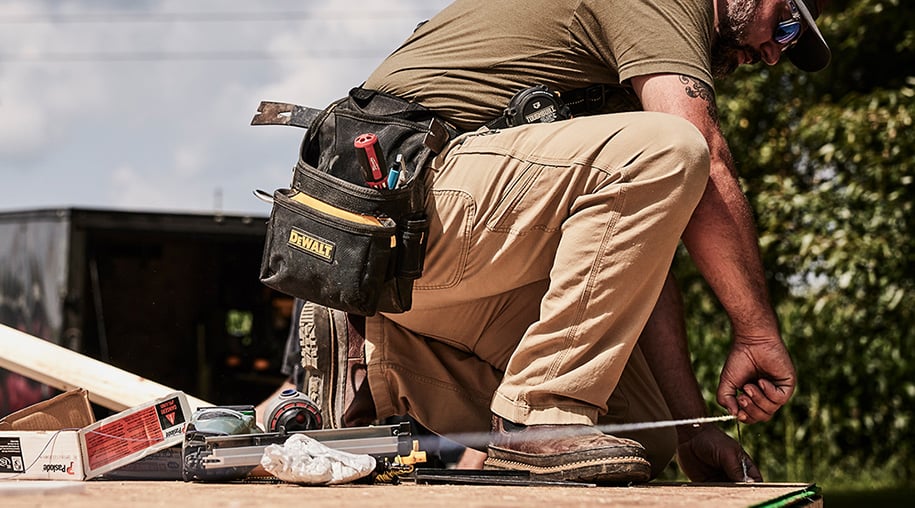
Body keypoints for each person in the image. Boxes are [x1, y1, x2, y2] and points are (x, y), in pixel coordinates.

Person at [290, 0, 831, 484]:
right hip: (391, 201)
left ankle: (374, 352)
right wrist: (757, 334)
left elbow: (637, 258)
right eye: (784, 23)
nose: (773, 53)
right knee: (674, 147)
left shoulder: (618, 89)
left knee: (641, 432)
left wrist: (690, 430)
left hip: (418, 248)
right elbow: (701, 153)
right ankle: (540, 409)